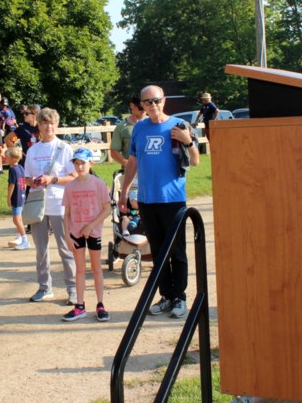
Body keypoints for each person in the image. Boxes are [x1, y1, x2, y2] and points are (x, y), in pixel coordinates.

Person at [118, 85, 199, 320]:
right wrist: (124, 192)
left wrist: (188, 141)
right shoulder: (139, 128)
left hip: (172, 199)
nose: (152, 105)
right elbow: (132, 161)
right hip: (146, 199)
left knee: (177, 251)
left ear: (164, 101)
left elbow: (195, 162)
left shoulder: (179, 126)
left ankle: (180, 298)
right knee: (158, 251)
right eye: (147, 102)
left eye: (156, 100)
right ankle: (166, 296)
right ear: (141, 106)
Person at [22, 107, 78, 304]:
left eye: (52, 122)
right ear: (38, 125)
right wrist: (34, 182)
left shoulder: (64, 148)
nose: (49, 126)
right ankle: (44, 287)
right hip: (39, 205)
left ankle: (72, 288)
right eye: (45, 122)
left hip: (60, 204)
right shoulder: (33, 150)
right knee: (41, 249)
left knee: (66, 248)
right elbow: (26, 178)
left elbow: (74, 176)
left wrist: (52, 179)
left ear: (57, 125)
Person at [60, 147, 111, 322]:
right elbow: (66, 213)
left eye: (83, 163)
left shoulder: (99, 184)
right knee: (80, 270)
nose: (79, 166)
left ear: (91, 163)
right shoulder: (70, 186)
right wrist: (67, 235)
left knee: (96, 269)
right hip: (75, 233)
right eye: (76, 163)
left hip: (93, 232)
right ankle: (79, 306)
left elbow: (107, 209)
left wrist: (91, 226)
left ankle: (100, 304)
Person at [4, 146, 29, 250]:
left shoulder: (12, 169)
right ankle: (19, 237)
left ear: (13, 158)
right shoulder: (20, 167)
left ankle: (24, 240)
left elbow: (12, 185)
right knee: (19, 218)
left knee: (16, 220)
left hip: (16, 197)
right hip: (22, 195)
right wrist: (23, 192)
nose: (5, 159)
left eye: (7, 157)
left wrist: (8, 197)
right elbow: (24, 181)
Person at [110, 94, 144, 169]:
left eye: (145, 106)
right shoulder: (121, 127)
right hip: (130, 171)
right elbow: (114, 151)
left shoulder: (153, 123)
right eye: (140, 107)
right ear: (132, 105)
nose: (143, 110)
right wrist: (128, 164)